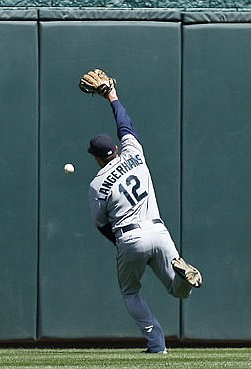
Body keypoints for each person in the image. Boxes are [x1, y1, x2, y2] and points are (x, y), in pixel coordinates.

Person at [87, 84, 202, 354]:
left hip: (128, 236)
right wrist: (112, 97)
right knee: (178, 290)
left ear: (96, 158)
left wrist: (122, 244)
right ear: (115, 148)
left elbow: (102, 225)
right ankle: (185, 275)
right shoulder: (134, 153)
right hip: (158, 230)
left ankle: (157, 344)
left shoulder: (97, 184)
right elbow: (125, 124)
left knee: (131, 293)